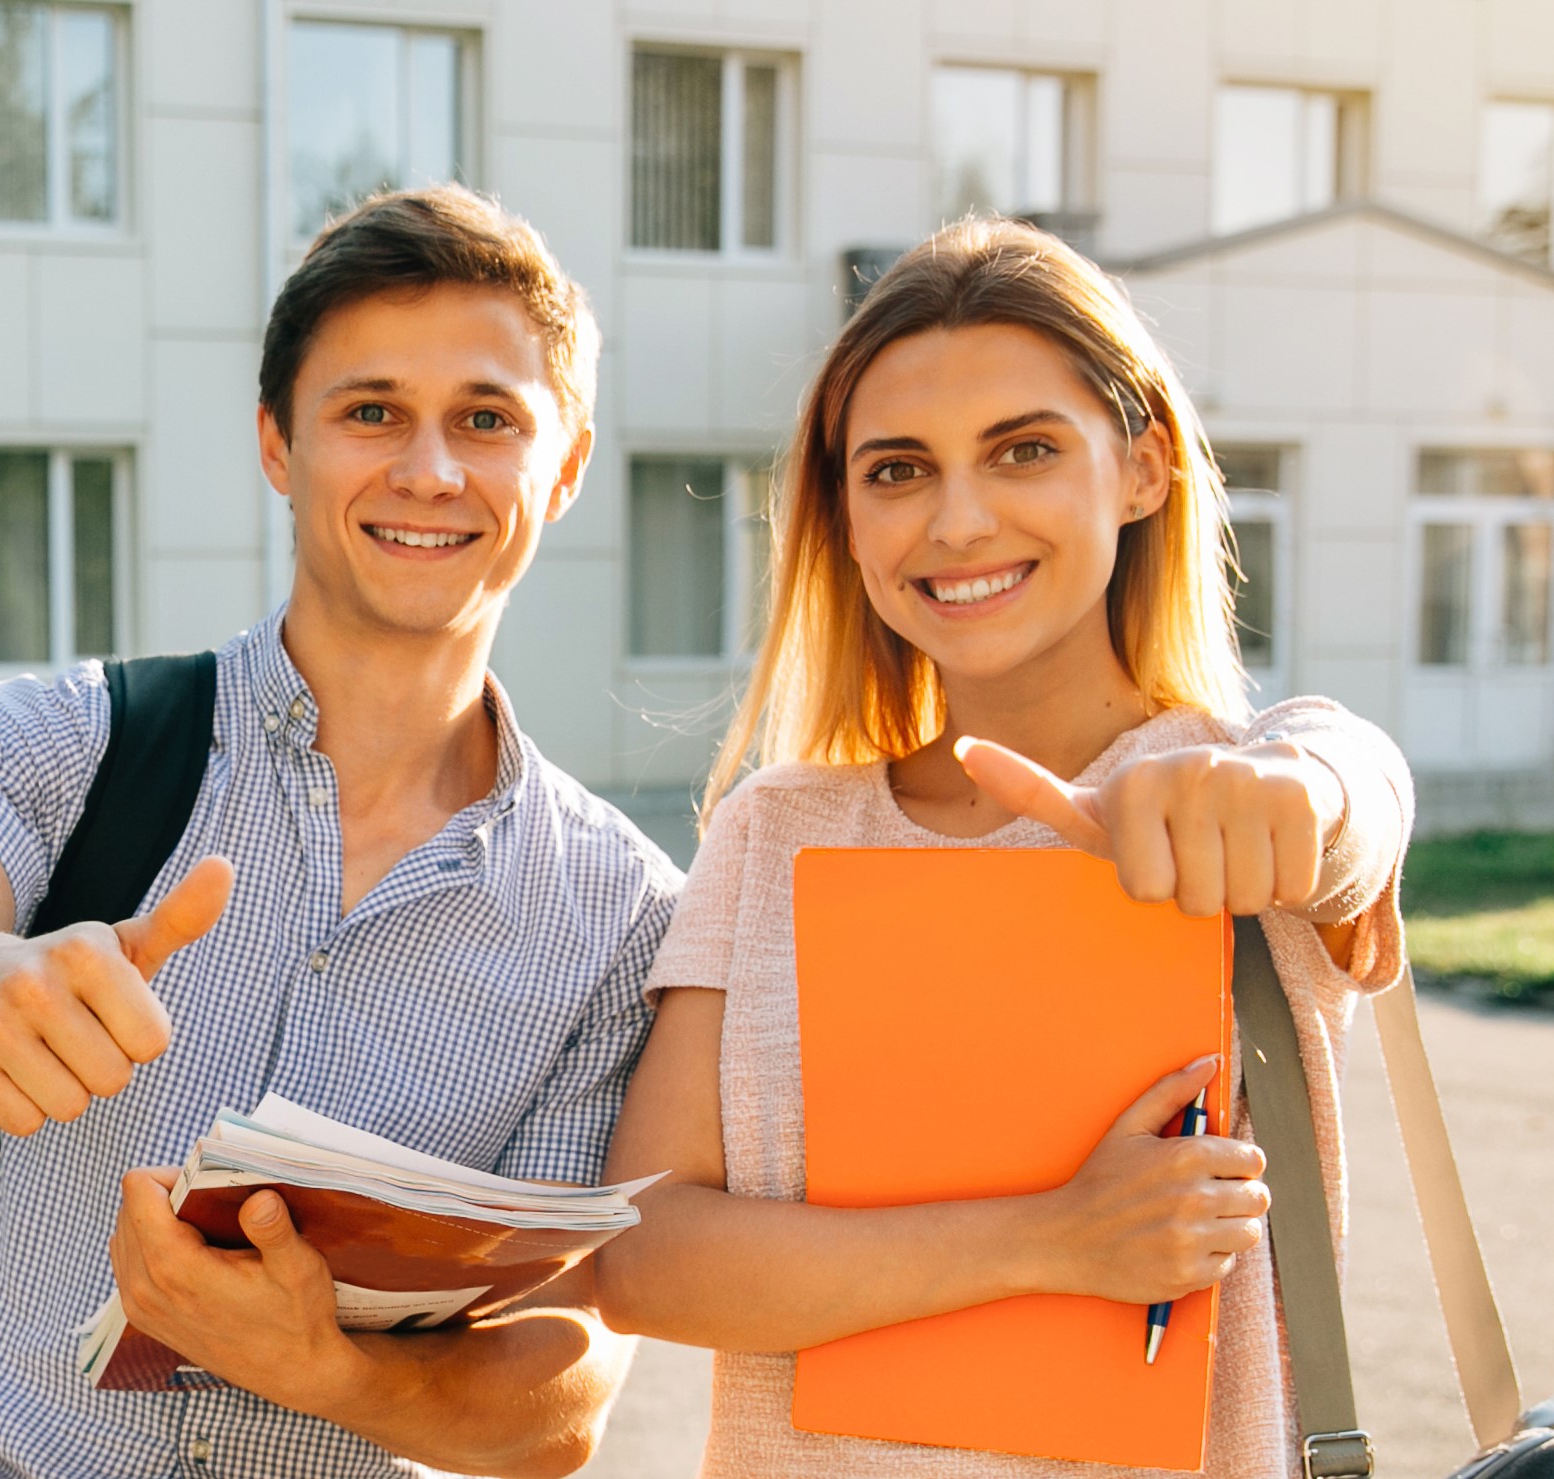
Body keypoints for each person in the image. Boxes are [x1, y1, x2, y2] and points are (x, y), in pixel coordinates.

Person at [0, 184, 681, 1479]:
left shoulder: (626, 913)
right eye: (371, 411)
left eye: (486, 418)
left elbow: (556, 1401)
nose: (428, 470)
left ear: (567, 462)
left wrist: (327, 1369)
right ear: (274, 441)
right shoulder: (71, 739)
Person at [589, 218, 1416, 1478]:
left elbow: (1345, 800)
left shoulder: (1234, 797)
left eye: (1022, 450)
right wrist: (1050, 1238)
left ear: (1139, 470)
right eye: (897, 470)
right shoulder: (776, 834)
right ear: (845, 517)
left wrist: (1309, 782)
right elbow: (641, 1261)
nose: (956, 519)